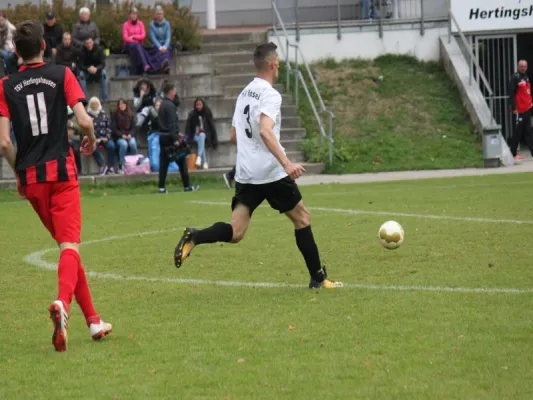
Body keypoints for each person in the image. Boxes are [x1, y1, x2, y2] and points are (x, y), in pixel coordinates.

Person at [174, 42, 343, 290]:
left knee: (236, 231)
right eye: (279, 62)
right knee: (302, 218)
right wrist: (286, 163)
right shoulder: (270, 95)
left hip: (246, 173)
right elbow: (265, 130)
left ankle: (196, 236)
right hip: (271, 172)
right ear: (273, 64)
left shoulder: (244, 93)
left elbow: (233, 134)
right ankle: (318, 278)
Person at [0, 20, 112, 352]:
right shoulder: (62, 73)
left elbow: (4, 142)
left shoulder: (5, 85)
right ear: (45, 47)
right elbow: (84, 119)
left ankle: (93, 321)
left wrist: (19, 174)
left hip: (32, 179)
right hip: (62, 173)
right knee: (70, 247)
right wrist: (90, 140)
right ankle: (62, 303)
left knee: (68, 250)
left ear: (16, 52)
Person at [158, 83, 199, 193]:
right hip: (170, 138)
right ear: (171, 91)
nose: (175, 93)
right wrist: (176, 138)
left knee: (164, 163)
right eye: (174, 91)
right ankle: (187, 186)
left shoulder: (162, 105)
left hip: (163, 136)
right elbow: (172, 124)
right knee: (181, 159)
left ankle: (161, 187)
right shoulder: (170, 106)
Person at [508, 60, 533, 161]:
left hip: (527, 108)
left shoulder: (526, 77)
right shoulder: (515, 77)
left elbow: (527, 92)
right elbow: (511, 93)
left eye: (525, 66)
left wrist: (530, 102)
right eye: (521, 66)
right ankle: (513, 153)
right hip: (519, 110)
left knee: (528, 131)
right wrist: (514, 108)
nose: (523, 68)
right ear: (518, 66)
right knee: (518, 132)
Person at [185, 98, 218, 170]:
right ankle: (204, 162)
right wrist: (187, 139)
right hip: (195, 135)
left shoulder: (207, 113)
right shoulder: (192, 114)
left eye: (200, 104)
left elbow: (212, 126)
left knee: (202, 135)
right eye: (197, 105)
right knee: (201, 138)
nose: (198, 106)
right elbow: (188, 127)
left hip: (205, 135)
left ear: (203, 105)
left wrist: (214, 140)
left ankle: (199, 157)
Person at [87, 97, 115, 175]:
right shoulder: (87, 116)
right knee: (92, 147)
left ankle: (111, 167)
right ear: (90, 105)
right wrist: (92, 138)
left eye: (96, 104)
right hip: (93, 138)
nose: (94, 105)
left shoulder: (103, 114)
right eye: (92, 104)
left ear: (98, 104)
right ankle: (102, 165)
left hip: (104, 138)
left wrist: (107, 137)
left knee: (111, 146)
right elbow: (86, 129)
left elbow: (108, 127)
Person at [111, 99, 138, 174]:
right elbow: (113, 129)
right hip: (119, 137)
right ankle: (121, 165)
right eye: (120, 104)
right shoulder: (115, 115)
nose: (122, 105)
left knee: (133, 143)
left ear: (126, 105)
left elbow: (134, 128)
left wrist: (130, 134)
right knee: (124, 144)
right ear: (118, 105)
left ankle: (134, 163)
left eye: (123, 104)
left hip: (129, 135)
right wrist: (121, 135)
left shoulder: (130, 115)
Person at [122, 8, 150, 75]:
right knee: (135, 46)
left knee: (136, 48)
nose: (134, 15)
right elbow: (125, 38)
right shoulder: (125, 24)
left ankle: (135, 71)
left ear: (137, 15)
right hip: (128, 45)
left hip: (138, 46)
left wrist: (134, 36)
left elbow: (143, 35)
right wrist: (136, 41)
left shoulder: (140, 23)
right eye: (132, 14)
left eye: (135, 14)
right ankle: (144, 65)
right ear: (130, 15)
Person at [149, 6, 172, 73]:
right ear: (155, 15)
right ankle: (160, 67)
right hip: (157, 44)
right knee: (158, 52)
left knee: (166, 51)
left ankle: (166, 65)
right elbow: (153, 37)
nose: (159, 15)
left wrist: (165, 46)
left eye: (161, 14)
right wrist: (159, 47)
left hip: (165, 43)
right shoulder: (152, 24)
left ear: (163, 15)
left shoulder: (167, 24)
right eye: (158, 14)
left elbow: (168, 37)